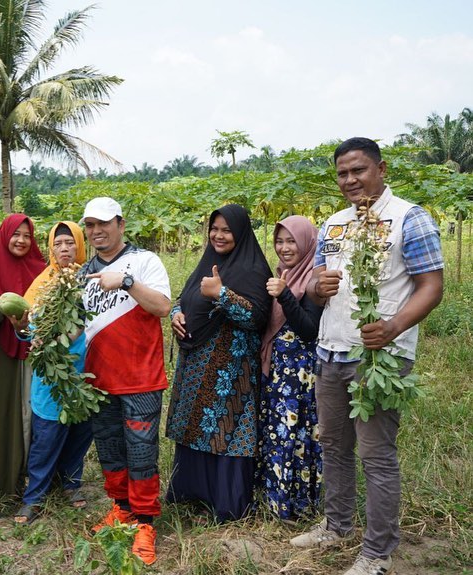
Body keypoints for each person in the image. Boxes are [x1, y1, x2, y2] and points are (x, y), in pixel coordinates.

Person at [291, 138, 444, 575]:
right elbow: (318, 281)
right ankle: (336, 526)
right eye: (342, 173)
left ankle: (377, 552)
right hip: (331, 349)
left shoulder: (409, 219)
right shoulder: (334, 224)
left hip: (381, 358)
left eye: (358, 170)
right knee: (334, 447)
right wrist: (316, 288)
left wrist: (393, 326)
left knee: (376, 454)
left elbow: (431, 286)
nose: (350, 181)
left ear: (381, 168)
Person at [166, 204, 272, 524]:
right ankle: (191, 493)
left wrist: (222, 293)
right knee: (197, 428)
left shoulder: (252, 269)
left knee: (226, 430)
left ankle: (227, 503)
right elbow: (182, 298)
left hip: (231, 369)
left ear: (240, 233)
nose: (218, 235)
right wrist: (176, 315)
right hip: (197, 364)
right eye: (214, 229)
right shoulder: (207, 263)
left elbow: (256, 317)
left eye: (226, 230)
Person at [80, 197, 171, 566]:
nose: (96, 231)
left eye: (103, 223)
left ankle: (146, 522)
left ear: (120, 223)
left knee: (141, 453)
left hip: (141, 377)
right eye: (90, 225)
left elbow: (162, 307)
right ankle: (121, 508)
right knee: (111, 451)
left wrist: (127, 281)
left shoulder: (145, 261)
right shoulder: (83, 272)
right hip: (99, 380)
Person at [11, 221, 94, 524]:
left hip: (86, 370)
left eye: (70, 243)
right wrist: (24, 330)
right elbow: (28, 331)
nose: (64, 249)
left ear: (80, 246)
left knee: (80, 430)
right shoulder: (42, 283)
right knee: (46, 434)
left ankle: (71, 484)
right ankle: (35, 496)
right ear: (50, 248)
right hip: (50, 376)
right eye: (58, 243)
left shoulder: (91, 279)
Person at [0, 214, 46, 499]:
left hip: (40, 353)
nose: (21, 240)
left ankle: (41, 482)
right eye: (15, 235)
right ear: (3, 237)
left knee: (39, 416)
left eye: (27, 235)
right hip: (4, 352)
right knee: (7, 415)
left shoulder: (43, 269)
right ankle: (6, 486)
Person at [257, 216, 323, 521]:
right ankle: (276, 500)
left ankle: (298, 504)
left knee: (297, 437)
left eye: (291, 241)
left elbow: (309, 329)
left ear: (308, 243)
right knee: (279, 435)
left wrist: (284, 294)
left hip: (300, 378)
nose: (284, 248)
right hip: (279, 374)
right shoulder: (283, 274)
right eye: (279, 241)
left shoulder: (313, 278)